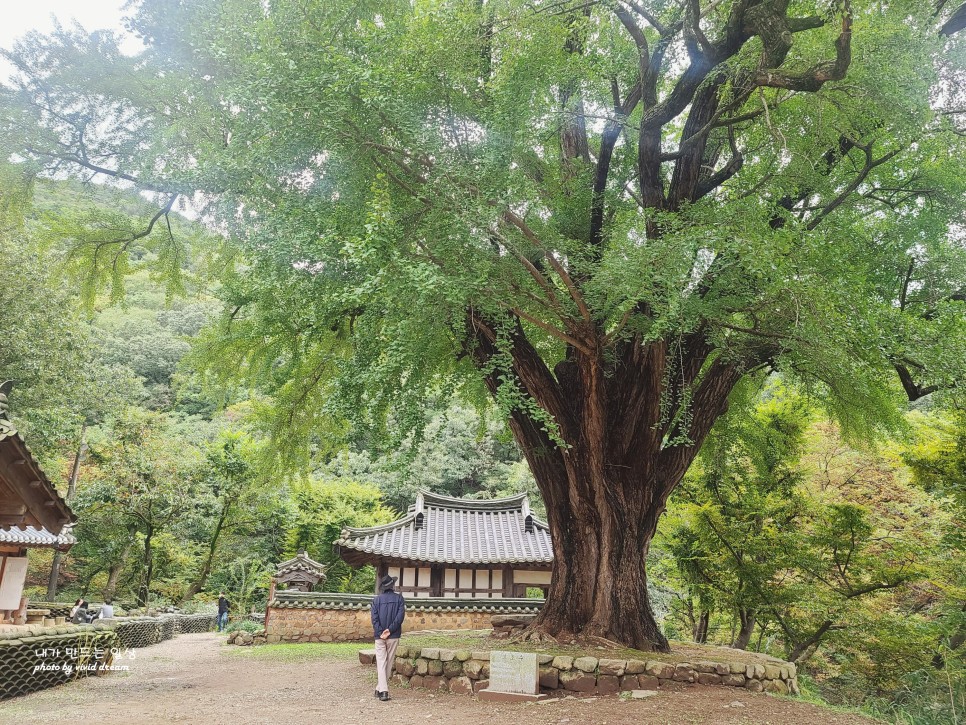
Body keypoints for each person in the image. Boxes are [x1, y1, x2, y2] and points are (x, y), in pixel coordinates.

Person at [371, 574, 406, 702]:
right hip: (393, 635)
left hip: (379, 636)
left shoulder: (376, 600)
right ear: (392, 586)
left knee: (381, 663)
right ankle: (384, 691)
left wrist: (381, 631)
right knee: (388, 662)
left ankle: (380, 688)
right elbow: (400, 617)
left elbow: (374, 619)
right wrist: (390, 630)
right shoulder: (399, 599)